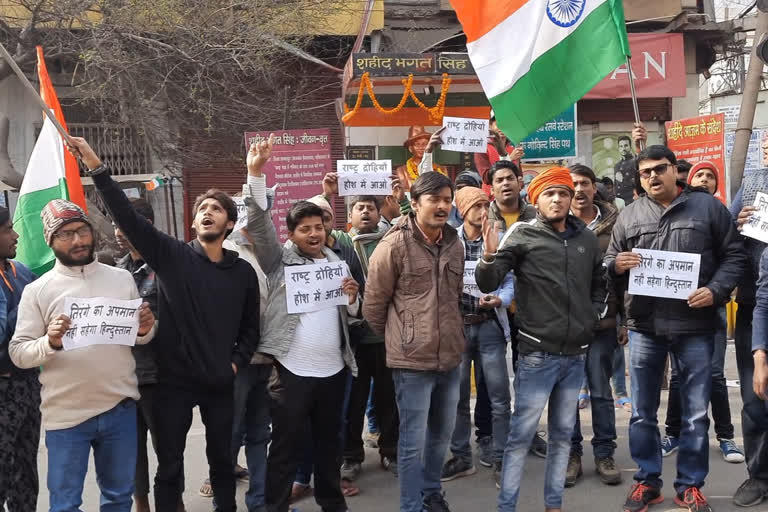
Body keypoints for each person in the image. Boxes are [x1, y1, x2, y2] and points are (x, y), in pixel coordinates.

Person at [69, 137, 261, 512]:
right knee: (170, 467)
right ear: (193, 220)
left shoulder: (242, 274)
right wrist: (96, 166)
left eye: (217, 209)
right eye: (202, 208)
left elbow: (250, 329)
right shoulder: (172, 257)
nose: (207, 212)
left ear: (230, 223)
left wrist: (234, 364)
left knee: (223, 463)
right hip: (172, 385)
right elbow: (127, 216)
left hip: (221, 383)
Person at [606, 145, 745, 512]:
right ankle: (647, 481)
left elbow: (734, 256)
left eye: (660, 169)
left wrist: (715, 291)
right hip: (644, 327)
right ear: (639, 178)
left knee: (696, 413)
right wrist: (616, 264)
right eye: (645, 172)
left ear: (674, 172)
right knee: (642, 413)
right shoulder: (629, 215)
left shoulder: (708, 208)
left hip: (696, 327)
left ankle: (689, 486)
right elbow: (609, 261)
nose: (653, 176)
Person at [9, 199, 156, 512]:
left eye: (81, 230)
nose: (77, 240)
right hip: (66, 417)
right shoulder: (38, 290)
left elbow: (136, 338)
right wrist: (51, 341)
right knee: (65, 504)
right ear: (51, 241)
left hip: (120, 408)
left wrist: (145, 329)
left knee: (118, 498)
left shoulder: (121, 279)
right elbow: (19, 352)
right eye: (65, 234)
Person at [476, 166, 605, 512]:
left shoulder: (586, 239)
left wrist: (591, 317)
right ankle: (508, 506)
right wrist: (489, 256)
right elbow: (489, 282)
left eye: (563, 193)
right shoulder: (522, 235)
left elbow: (599, 282)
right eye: (550, 193)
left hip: (575, 354)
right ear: (536, 198)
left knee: (563, 436)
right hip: (536, 354)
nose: (558, 199)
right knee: (520, 437)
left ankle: (553, 505)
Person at [243, 137, 361, 512]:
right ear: (291, 234)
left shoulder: (339, 263)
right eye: (304, 228)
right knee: (285, 449)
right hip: (292, 373)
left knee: (330, 445)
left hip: (334, 370)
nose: (313, 234)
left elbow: (351, 317)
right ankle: (276, 506)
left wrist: (353, 298)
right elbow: (260, 226)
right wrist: (255, 173)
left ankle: (332, 503)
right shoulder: (278, 262)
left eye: (318, 227)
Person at [364, 172, 465, 512]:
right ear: (416, 202)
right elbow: (373, 307)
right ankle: (411, 506)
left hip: (450, 357)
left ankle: (431, 494)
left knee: (441, 436)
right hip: (412, 363)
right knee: (411, 443)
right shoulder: (393, 246)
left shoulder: (454, 242)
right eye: (434, 199)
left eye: (447, 200)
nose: (441, 206)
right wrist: (402, 338)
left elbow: (454, 295)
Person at [659, 161, 744, 464]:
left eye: (711, 176)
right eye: (700, 175)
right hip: (675, 313)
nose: (705, 179)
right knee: (680, 377)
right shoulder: (676, 213)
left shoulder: (721, 215)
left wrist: (716, 291)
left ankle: (726, 437)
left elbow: (735, 257)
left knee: (716, 375)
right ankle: (672, 433)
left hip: (713, 312)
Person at [113, 198, 187, 512]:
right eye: (116, 224)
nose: (118, 231)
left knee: (168, 447)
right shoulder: (115, 272)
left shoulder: (169, 265)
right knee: (132, 448)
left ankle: (174, 502)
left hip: (164, 373)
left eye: (125, 224)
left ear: (145, 226)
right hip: (125, 373)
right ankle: (140, 502)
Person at [440, 186, 513, 488]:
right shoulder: (448, 240)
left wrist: (501, 300)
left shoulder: (497, 238)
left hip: (489, 327)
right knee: (456, 397)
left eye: (486, 205)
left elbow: (509, 281)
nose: (483, 212)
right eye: (476, 206)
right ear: (462, 209)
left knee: (498, 397)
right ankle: (461, 456)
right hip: (458, 327)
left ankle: (501, 457)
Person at [333, 195, 400, 482]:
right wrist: (327, 193)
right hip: (356, 340)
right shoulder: (342, 244)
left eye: (370, 208)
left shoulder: (391, 241)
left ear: (378, 212)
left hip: (387, 338)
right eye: (359, 208)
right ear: (350, 214)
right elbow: (319, 217)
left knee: (389, 400)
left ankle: (390, 451)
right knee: (353, 403)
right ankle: (351, 456)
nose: (364, 212)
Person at [565, 164, 623, 488]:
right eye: (572, 183)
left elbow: (623, 277)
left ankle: (604, 453)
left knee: (601, 392)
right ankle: (572, 454)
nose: (578, 189)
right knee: (569, 393)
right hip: (565, 325)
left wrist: (624, 321)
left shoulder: (615, 224)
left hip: (603, 323)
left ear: (593, 187)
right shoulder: (555, 224)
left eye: (584, 183)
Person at [730, 175, 768, 507]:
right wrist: (735, 221)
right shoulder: (754, 182)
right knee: (756, 399)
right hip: (754, 304)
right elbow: (723, 238)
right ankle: (759, 475)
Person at [0, 207, 38, 512]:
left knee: (26, 468)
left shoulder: (22, 272)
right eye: (7, 230)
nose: (15, 236)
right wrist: (24, 310)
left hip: (27, 385)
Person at [474, 110, 524, 197]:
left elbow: (519, 175)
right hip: (492, 199)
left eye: (506, 125)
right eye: (499, 125)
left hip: (513, 198)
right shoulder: (482, 148)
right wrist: (509, 159)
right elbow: (486, 178)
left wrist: (519, 180)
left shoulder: (512, 149)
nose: (502, 128)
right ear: (490, 126)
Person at [394, 126, 446, 192]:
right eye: (417, 144)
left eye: (425, 144)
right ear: (410, 148)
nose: (421, 147)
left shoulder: (441, 169)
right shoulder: (402, 170)